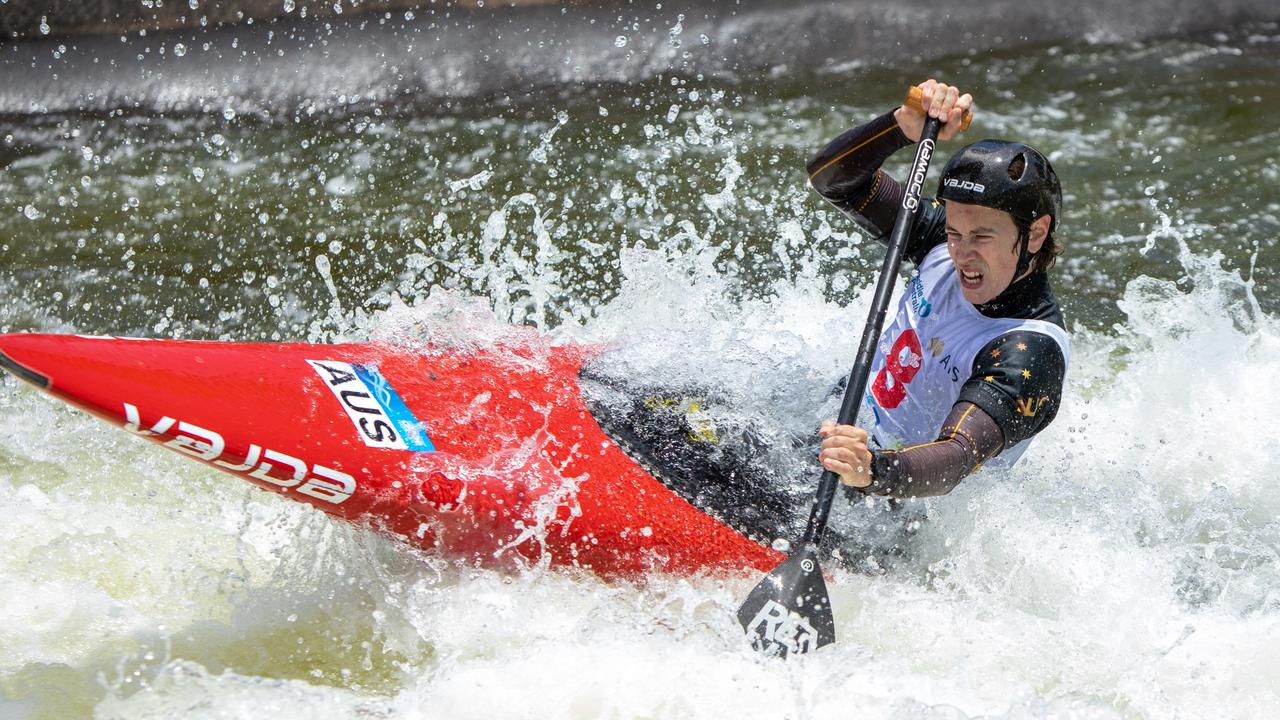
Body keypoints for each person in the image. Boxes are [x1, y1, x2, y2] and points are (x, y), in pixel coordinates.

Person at [811, 79, 1070, 498]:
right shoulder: (938, 242)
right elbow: (831, 179)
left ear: (1036, 234)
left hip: (890, 508)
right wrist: (899, 128)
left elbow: (957, 457)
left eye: (982, 238)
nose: (962, 254)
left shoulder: (1030, 351)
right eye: (954, 231)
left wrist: (869, 471)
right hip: (837, 441)